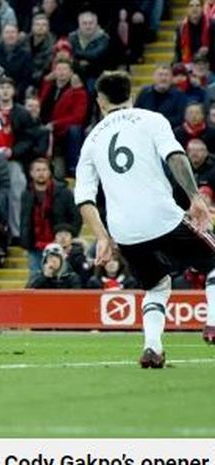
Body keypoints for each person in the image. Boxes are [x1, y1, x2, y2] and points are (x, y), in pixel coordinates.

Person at [75, 70, 215, 369]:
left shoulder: (92, 140)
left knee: (157, 285)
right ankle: (213, 322)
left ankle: (153, 346)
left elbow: (84, 197)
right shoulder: (151, 119)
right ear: (131, 94)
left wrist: (101, 237)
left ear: (100, 101)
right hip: (161, 215)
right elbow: (176, 157)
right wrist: (195, 197)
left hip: (125, 230)